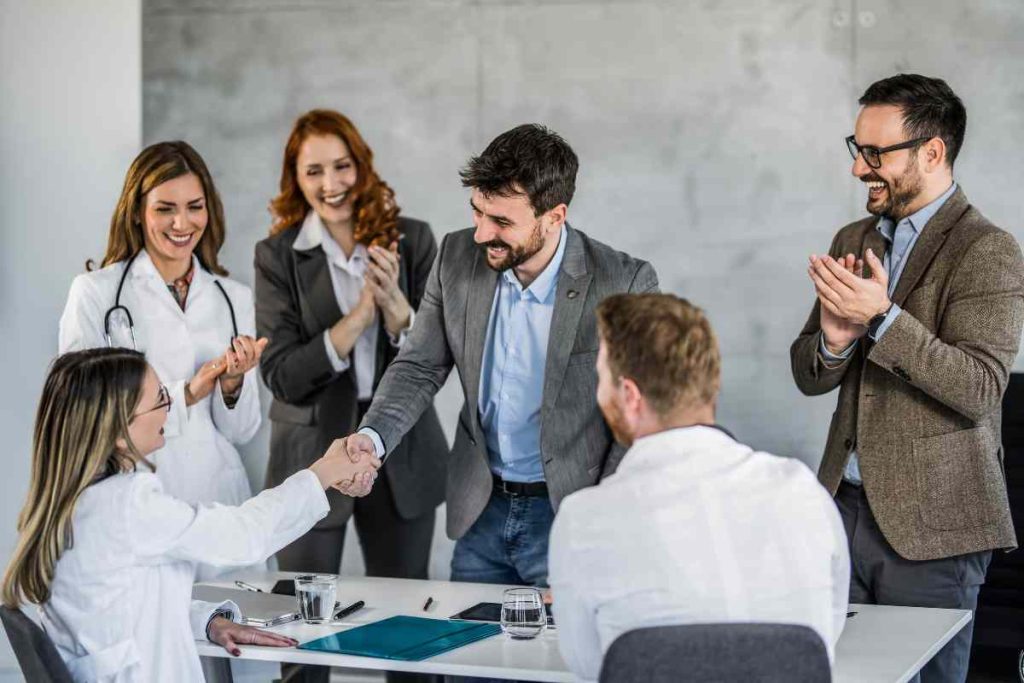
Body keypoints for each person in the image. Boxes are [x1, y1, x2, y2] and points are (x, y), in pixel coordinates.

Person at [338, 124, 659, 589]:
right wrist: (373, 437)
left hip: (571, 515)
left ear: (555, 216)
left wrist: (600, 518)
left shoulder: (624, 282)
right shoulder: (453, 257)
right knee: (466, 656)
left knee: (560, 660)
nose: (481, 234)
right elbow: (419, 365)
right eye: (478, 212)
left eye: (502, 222)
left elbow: (640, 415)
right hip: (479, 509)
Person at [791, 74, 1024, 682]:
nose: (858, 169)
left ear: (932, 151)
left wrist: (882, 318)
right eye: (857, 148)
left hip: (936, 529)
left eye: (876, 154)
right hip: (843, 511)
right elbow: (809, 373)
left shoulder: (988, 251)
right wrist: (835, 345)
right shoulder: (854, 238)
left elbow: (978, 388)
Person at [0, 348, 379, 683]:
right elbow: (245, 535)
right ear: (119, 433)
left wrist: (207, 621)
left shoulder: (72, 503)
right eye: (160, 398)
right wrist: (326, 471)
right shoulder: (128, 504)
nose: (170, 405)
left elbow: (123, 607)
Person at [549, 293, 849, 682]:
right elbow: (822, 639)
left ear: (630, 396)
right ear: (711, 381)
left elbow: (593, 668)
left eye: (601, 377)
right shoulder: (803, 492)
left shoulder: (583, 518)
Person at [255, 109, 448, 683]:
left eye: (342, 166)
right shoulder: (277, 255)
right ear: (296, 176)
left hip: (400, 448)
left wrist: (397, 312)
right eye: (314, 170)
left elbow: (439, 353)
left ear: (362, 168)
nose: (331, 183)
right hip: (312, 451)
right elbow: (283, 374)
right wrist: (360, 314)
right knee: (300, 635)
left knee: (408, 628)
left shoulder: (413, 240)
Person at [59, 141, 266, 512]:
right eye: (165, 209)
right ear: (137, 212)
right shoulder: (96, 293)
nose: (182, 223)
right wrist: (185, 394)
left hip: (219, 497)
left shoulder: (233, 298)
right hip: (138, 496)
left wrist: (232, 385)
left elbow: (242, 431)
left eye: (194, 207)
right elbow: (85, 417)